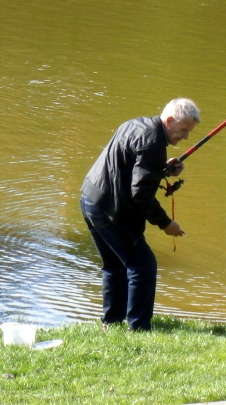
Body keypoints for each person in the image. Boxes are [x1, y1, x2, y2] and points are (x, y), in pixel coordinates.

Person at [80, 98, 200, 332]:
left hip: (90, 198)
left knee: (115, 265)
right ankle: (138, 328)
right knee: (143, 265)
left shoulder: (137, 124)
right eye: (184, 130)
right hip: (110, 209)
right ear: (169, 120)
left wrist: (162, 168)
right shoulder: (153, 142)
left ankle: (111, 323)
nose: (186, 137)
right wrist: (166, 223)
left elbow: (131, 166)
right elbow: (141, 194)